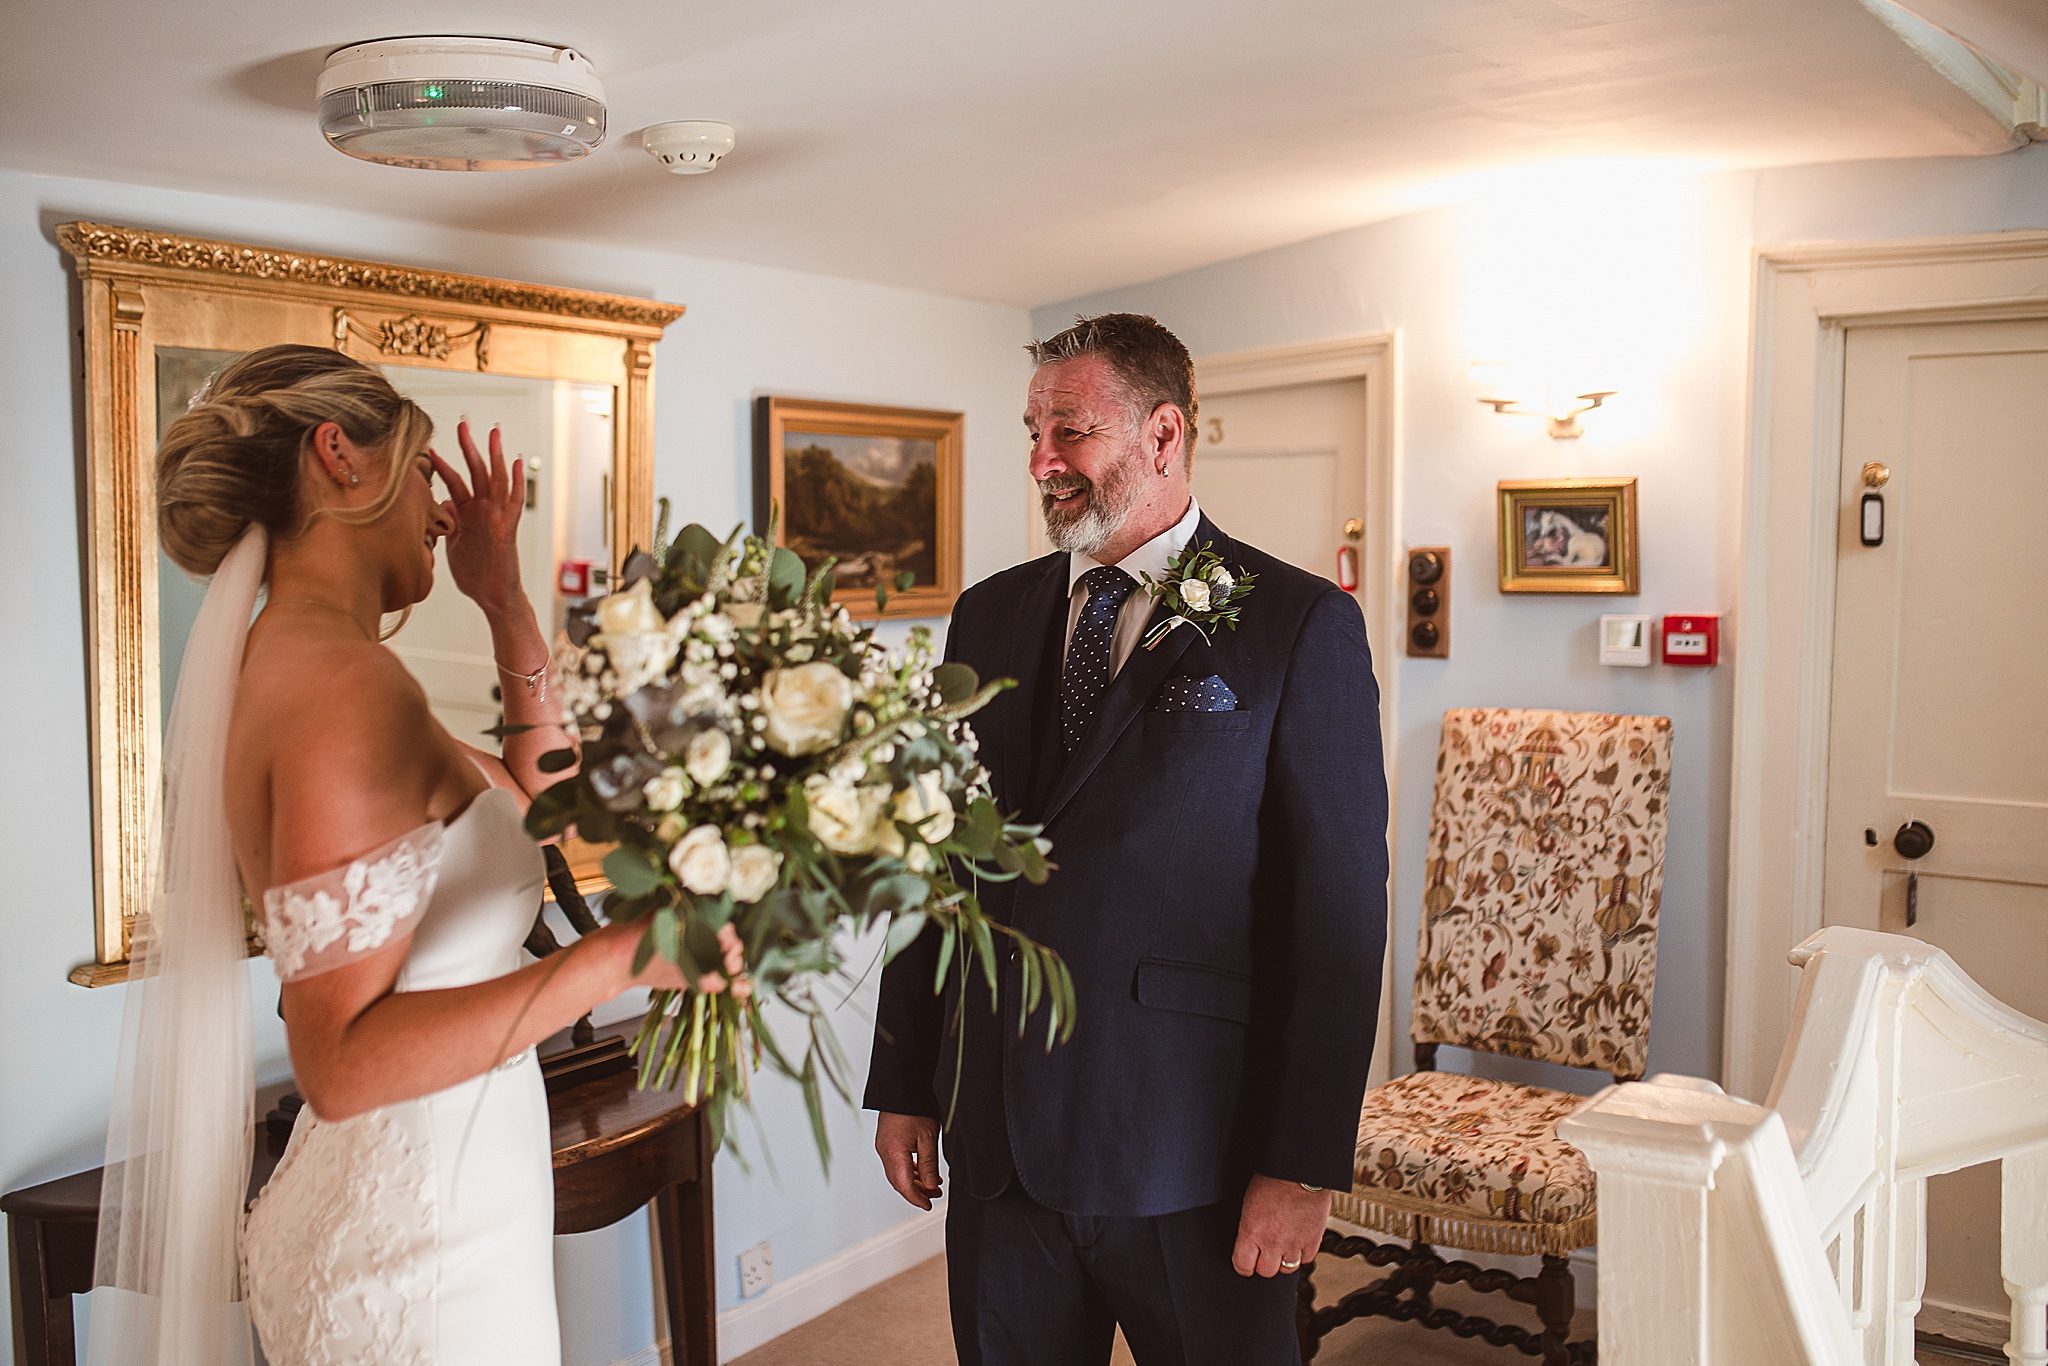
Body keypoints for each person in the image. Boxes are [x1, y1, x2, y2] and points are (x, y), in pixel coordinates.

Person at [87, 345, 682, 1366]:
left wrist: (501, 598)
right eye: (418, 471)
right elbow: (342, 1061)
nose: (438, 509)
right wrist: (626, 955)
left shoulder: (322, 661)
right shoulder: (337, 685)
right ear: (340, 458)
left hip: (439, 1193)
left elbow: (545, 800)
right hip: (416, 1255)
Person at [865, 314, 1389, 1364]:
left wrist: (1299, 1165)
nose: (1041, 462)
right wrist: (907, 1077)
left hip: (1190, 1151)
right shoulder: (986, 616)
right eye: (1031, 433)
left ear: (1163, 435)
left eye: (1070, 432)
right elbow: (938, 860)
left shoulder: (1290, 622)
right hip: (1001, 1140)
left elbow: (1334, 917)